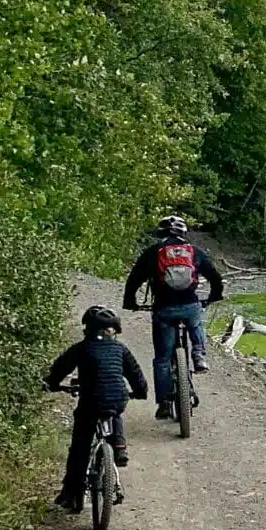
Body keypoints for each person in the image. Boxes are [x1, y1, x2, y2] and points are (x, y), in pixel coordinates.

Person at [46, 306, 148, 513]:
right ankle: (119, 446)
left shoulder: (81, 348)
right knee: (114, 410)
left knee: (80, 446)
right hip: (117, 398)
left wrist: (52, 384)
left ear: (87, 329)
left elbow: (60, 368)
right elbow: (136, 374)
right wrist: (140, 392)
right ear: (113, 330)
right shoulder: (120, 349)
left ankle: (71, 493)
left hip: (90, 401)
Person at [123, 214, 224, 418]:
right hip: (189, 305)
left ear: (160, 233)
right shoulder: (194, 251)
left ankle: (164, 404)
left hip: (164, 309)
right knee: (195, 321)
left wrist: (130, 302)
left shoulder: (153, 252)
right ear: (183, 232)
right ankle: (199, 354)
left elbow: (134, 279)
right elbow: (215, 277)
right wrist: (214, 297)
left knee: (162, 359)